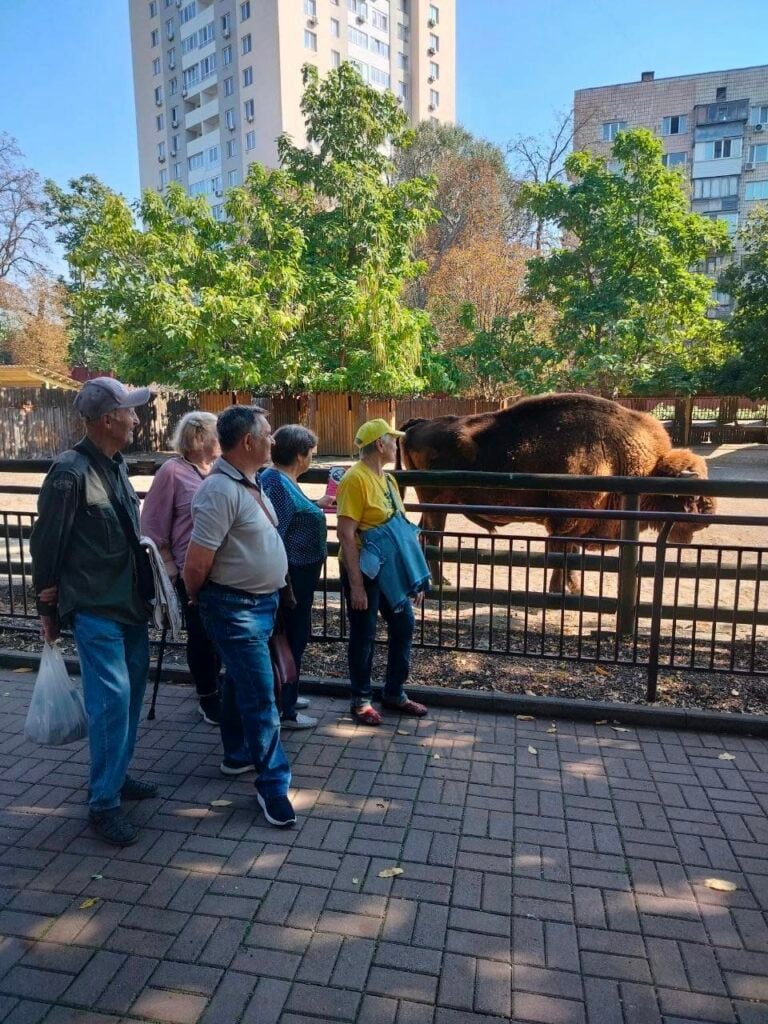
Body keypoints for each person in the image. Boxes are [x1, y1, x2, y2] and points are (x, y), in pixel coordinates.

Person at [30, 377, 156, 847]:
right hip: (95, 608)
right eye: (130, 411)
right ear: (109, 419)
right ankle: (104, 803)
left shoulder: (116, 464)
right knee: (110, 704)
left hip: (130, 605)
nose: (137, 419)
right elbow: (47, 543)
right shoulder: (69, 473)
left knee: (129, 699)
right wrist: (49, 607)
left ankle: (117, 778)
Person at [183, 405, 296, 828]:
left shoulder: (248, 481)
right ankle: (273, 786)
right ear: (248, 441)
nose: (273, 439)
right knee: (262, 697)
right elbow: (196, 563)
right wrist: (201, 599)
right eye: (267, 433)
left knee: (243, 682)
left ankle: (236, 755)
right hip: (235, 609)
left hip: (258, 606)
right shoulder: (219, 491)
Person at [336, 418, 429, 726]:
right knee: (364, 634)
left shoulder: (389, 481)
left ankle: (394, 692)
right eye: (392, 440)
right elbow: (346, 534)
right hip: (365, 570)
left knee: (403, 624)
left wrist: (411, 576)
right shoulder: (355, 480)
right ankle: (361, 700)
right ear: (379, 444)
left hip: (390, 570)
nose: (395, 445)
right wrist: (357, 585)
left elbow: (399, 531)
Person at [140, 411, 222, 725]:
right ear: (199, 437)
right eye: (217, 434)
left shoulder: (216, 470)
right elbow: (152, 523)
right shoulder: (171, 472)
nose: (221, 440)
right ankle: (207, 696)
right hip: (188, 570)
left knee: (218, 632)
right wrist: (170, 566)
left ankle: (215, 683)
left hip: (220, 569)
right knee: (201, 634)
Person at [260, 424, 334, 729]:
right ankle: (285, 707)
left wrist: (317, 506)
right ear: (300, 455)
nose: (313, 457)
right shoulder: (276, 482)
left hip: (299, 573)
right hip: (292, 577)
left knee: (294, 635)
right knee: (292, 637)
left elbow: (293, 514)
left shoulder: (284, 480)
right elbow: (276, 531)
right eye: (311, 452)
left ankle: (288, 692)